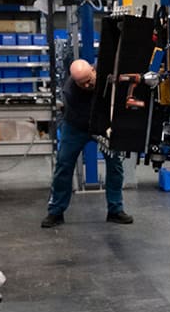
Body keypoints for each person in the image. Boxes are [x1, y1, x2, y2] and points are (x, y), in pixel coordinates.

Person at [42, 59, 132, 227]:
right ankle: (55, 211)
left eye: (89, 80)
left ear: (93, 70)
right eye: (81, 83)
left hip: (103, 124)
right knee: (63, 164)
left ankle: (115, 210)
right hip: (77, 125)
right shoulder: (70, 91)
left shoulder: (106, 74)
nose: (87, 85)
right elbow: (89, 115)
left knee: (115, 164)